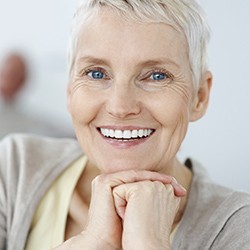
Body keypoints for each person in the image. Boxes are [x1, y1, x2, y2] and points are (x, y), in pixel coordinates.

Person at [0, 0, 250, 249]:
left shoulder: (239, 227)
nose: (120, 107)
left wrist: (149, 244)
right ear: (69, 91)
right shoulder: (16, 168)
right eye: (96, 73)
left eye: (156, 75)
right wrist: (93, 242)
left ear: (200, 96)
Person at [0, 53, 74, 138]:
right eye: (9, 74)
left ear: (23, 81)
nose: (9, 80)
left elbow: (44, 125)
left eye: (18, 76)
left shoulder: (22, 112)